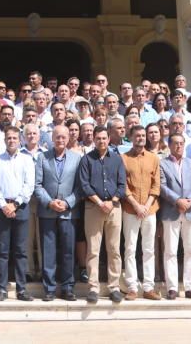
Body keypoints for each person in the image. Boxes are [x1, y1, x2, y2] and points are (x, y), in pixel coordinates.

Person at [78, 125, 127, 304]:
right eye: (98, 138)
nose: (101, 141)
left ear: (109, 139)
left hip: (114, 208)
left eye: (104, 138)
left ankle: (113, 286)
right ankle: (93, 287)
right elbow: (84, 185)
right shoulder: (86, 160)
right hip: (93, 208)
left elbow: (122, 185)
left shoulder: (117, 159)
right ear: (94, 139)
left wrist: (111, 201)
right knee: (93, 249)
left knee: (114, 249)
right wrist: (100, 202)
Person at [34, 125, 81, 302]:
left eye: (63, 137)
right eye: (57, 137)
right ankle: (50, 288)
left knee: (68, 251)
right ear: (52, 139)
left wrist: (68, 202)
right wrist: (49, 202)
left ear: (68, 139)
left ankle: (68, 287)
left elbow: (80, 186)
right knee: (48, 251)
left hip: (69, 212)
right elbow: (37, 185)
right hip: (48, 211)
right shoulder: (42, 157)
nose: (60, 140)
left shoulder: (77, 159)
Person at [0, 126, 35, 302]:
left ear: (20, 140)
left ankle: (21, 290)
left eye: (15, 138)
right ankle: (1, 289)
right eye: (9, 138)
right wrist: (4, 205)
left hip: (20, 207)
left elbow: (29, 185)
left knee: (21, 251)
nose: (12, 141)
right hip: (1, 209)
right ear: (5, 140)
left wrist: (15, 204)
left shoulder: (26, 160)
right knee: (2, 251)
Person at [158, 133, 191, 300]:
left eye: (181, 143)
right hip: (171, 210)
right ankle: (172, 287)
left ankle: (190, 287)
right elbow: (161, 186)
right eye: (175, 143)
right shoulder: (162, 164)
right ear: (169, 145)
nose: (179, 146)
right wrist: (177, 200)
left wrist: (190, 201)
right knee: (170, 251)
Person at [121, 125, 161, 300]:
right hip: (131, 209)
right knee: (130, 248)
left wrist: (146, 205)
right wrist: (136, 205)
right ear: (130, 137)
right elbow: (123, 185)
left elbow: (156, 185)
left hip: (150, 209)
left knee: (148, 249)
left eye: (143, 135)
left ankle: (148, 287)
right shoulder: (123, 158)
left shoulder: (153, 158)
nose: (141, 138)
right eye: (137, 135)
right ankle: (132, 287)